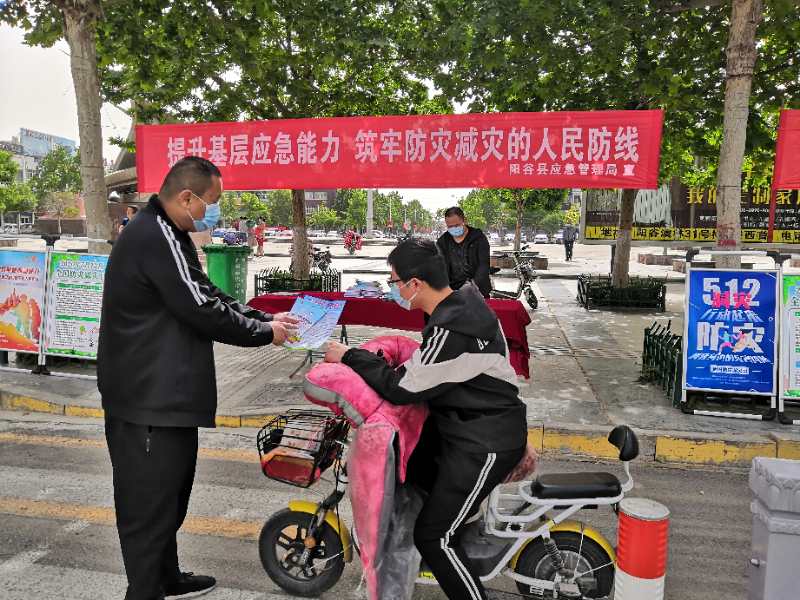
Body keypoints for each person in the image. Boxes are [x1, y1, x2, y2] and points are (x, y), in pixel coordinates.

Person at [98, 156, 298, 600]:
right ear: (187, 197)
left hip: (165, 397)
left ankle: (166, 578)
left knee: (168, 500)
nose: (214, 211)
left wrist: (263, 318)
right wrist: (265, 333)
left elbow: (206, 291)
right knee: (148, 509)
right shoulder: (154, 236)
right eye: (212, 201)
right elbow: (203, 310)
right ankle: (145, 591)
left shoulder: (171, 233)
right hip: (147, 400)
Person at [324, 239, 527, 600]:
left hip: (485, 442)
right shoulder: (462, 309)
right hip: (472, 430)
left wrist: (349, 356)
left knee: (435, 537)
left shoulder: (453, 328)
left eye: (394, 282)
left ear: (414, 284)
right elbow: (430, 370)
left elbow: (402, 387)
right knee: (418, 477)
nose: (393, 290)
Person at [436, 206, 491, 298]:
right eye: (450, 226)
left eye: (456, 225)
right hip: (452, 292)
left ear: (464, 220)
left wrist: (473, 285)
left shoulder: (478, 238)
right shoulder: (443, 241)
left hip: (478, 292)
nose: (453, 228)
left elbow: (484, 265)